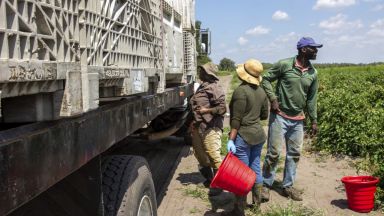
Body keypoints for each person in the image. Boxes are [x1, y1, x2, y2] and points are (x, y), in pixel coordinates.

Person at [261, 37, 322, 202]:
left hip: (298, 119)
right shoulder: (284, 65)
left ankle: (287, 186)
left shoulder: (313, 73)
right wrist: (273, 99)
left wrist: (314, 120)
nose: (316, 51)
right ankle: (265, 185)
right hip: (280, 116)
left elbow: (311, 99)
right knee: (273, 153)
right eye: (313, 48)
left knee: (294, 154)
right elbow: (265, 79)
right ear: (303, 49)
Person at [223, 59, 268, 216]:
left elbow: (236, 120)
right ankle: (257, 205)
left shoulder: (241, 91)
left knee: (241, 175)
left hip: (244, 136)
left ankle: (239, 210)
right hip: (259, 135)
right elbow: (264, 115)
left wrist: (231, 139)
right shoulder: (261, 91)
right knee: (255, 168)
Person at [190, 62, 226, 195]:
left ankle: (219, 185)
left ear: (207, 73)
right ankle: (210, 179)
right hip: (199, 126)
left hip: (211, 127)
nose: (199, 72)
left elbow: (222, 109)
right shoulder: (202, 86)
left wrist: (207, 110)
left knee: (213, 155)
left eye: (202, 70)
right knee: (200, 155)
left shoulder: (214, 87)